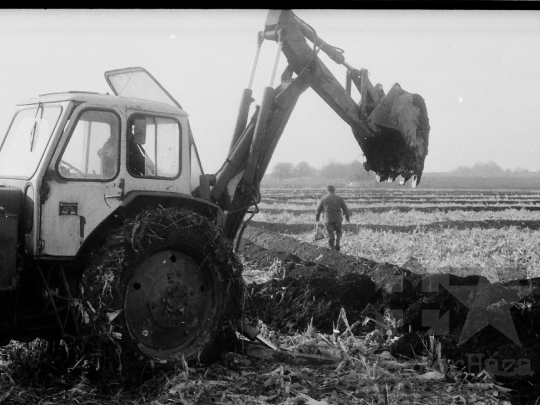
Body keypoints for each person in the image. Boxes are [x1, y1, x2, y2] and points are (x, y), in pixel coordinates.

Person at [315, 185, 350, 251]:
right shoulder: (339, 198)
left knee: (330, 233)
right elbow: (345, 208)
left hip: (328, 219)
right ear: (334, 190)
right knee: (338, 231)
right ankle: (338, 244)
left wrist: (317, 218)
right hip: (338, 218)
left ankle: (332, 248)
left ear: (327, 191)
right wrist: (347, 217)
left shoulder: (323, 198)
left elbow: (318, 210)